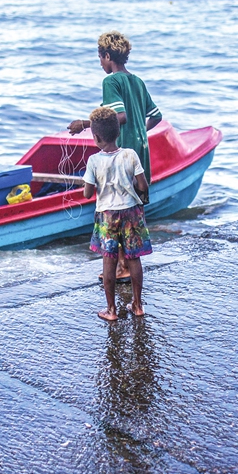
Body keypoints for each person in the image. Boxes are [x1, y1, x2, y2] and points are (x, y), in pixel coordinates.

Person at [68, 31, 162, 282]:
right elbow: (156, 116)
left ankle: (121, 266)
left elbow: (119, 117)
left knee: (115, 207)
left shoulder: (111, 82)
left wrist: (85, 124)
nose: (100, 63)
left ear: (107, 56)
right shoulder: (138, 81)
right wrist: (141, 131)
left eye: (100, 58)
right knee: (132, 209)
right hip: (140, 153)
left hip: (121, 154)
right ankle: (126, 263)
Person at [82, 106, 151, 321]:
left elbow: (87, 194)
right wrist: (138, 196)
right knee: (134, 260)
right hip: (131, 212)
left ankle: (111, 310)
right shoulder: (130, 154)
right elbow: (143, 184)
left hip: (107, 215)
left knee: (109, 261)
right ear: (118, 132)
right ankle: (138, 305)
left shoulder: (94, 161)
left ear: (96, 137)